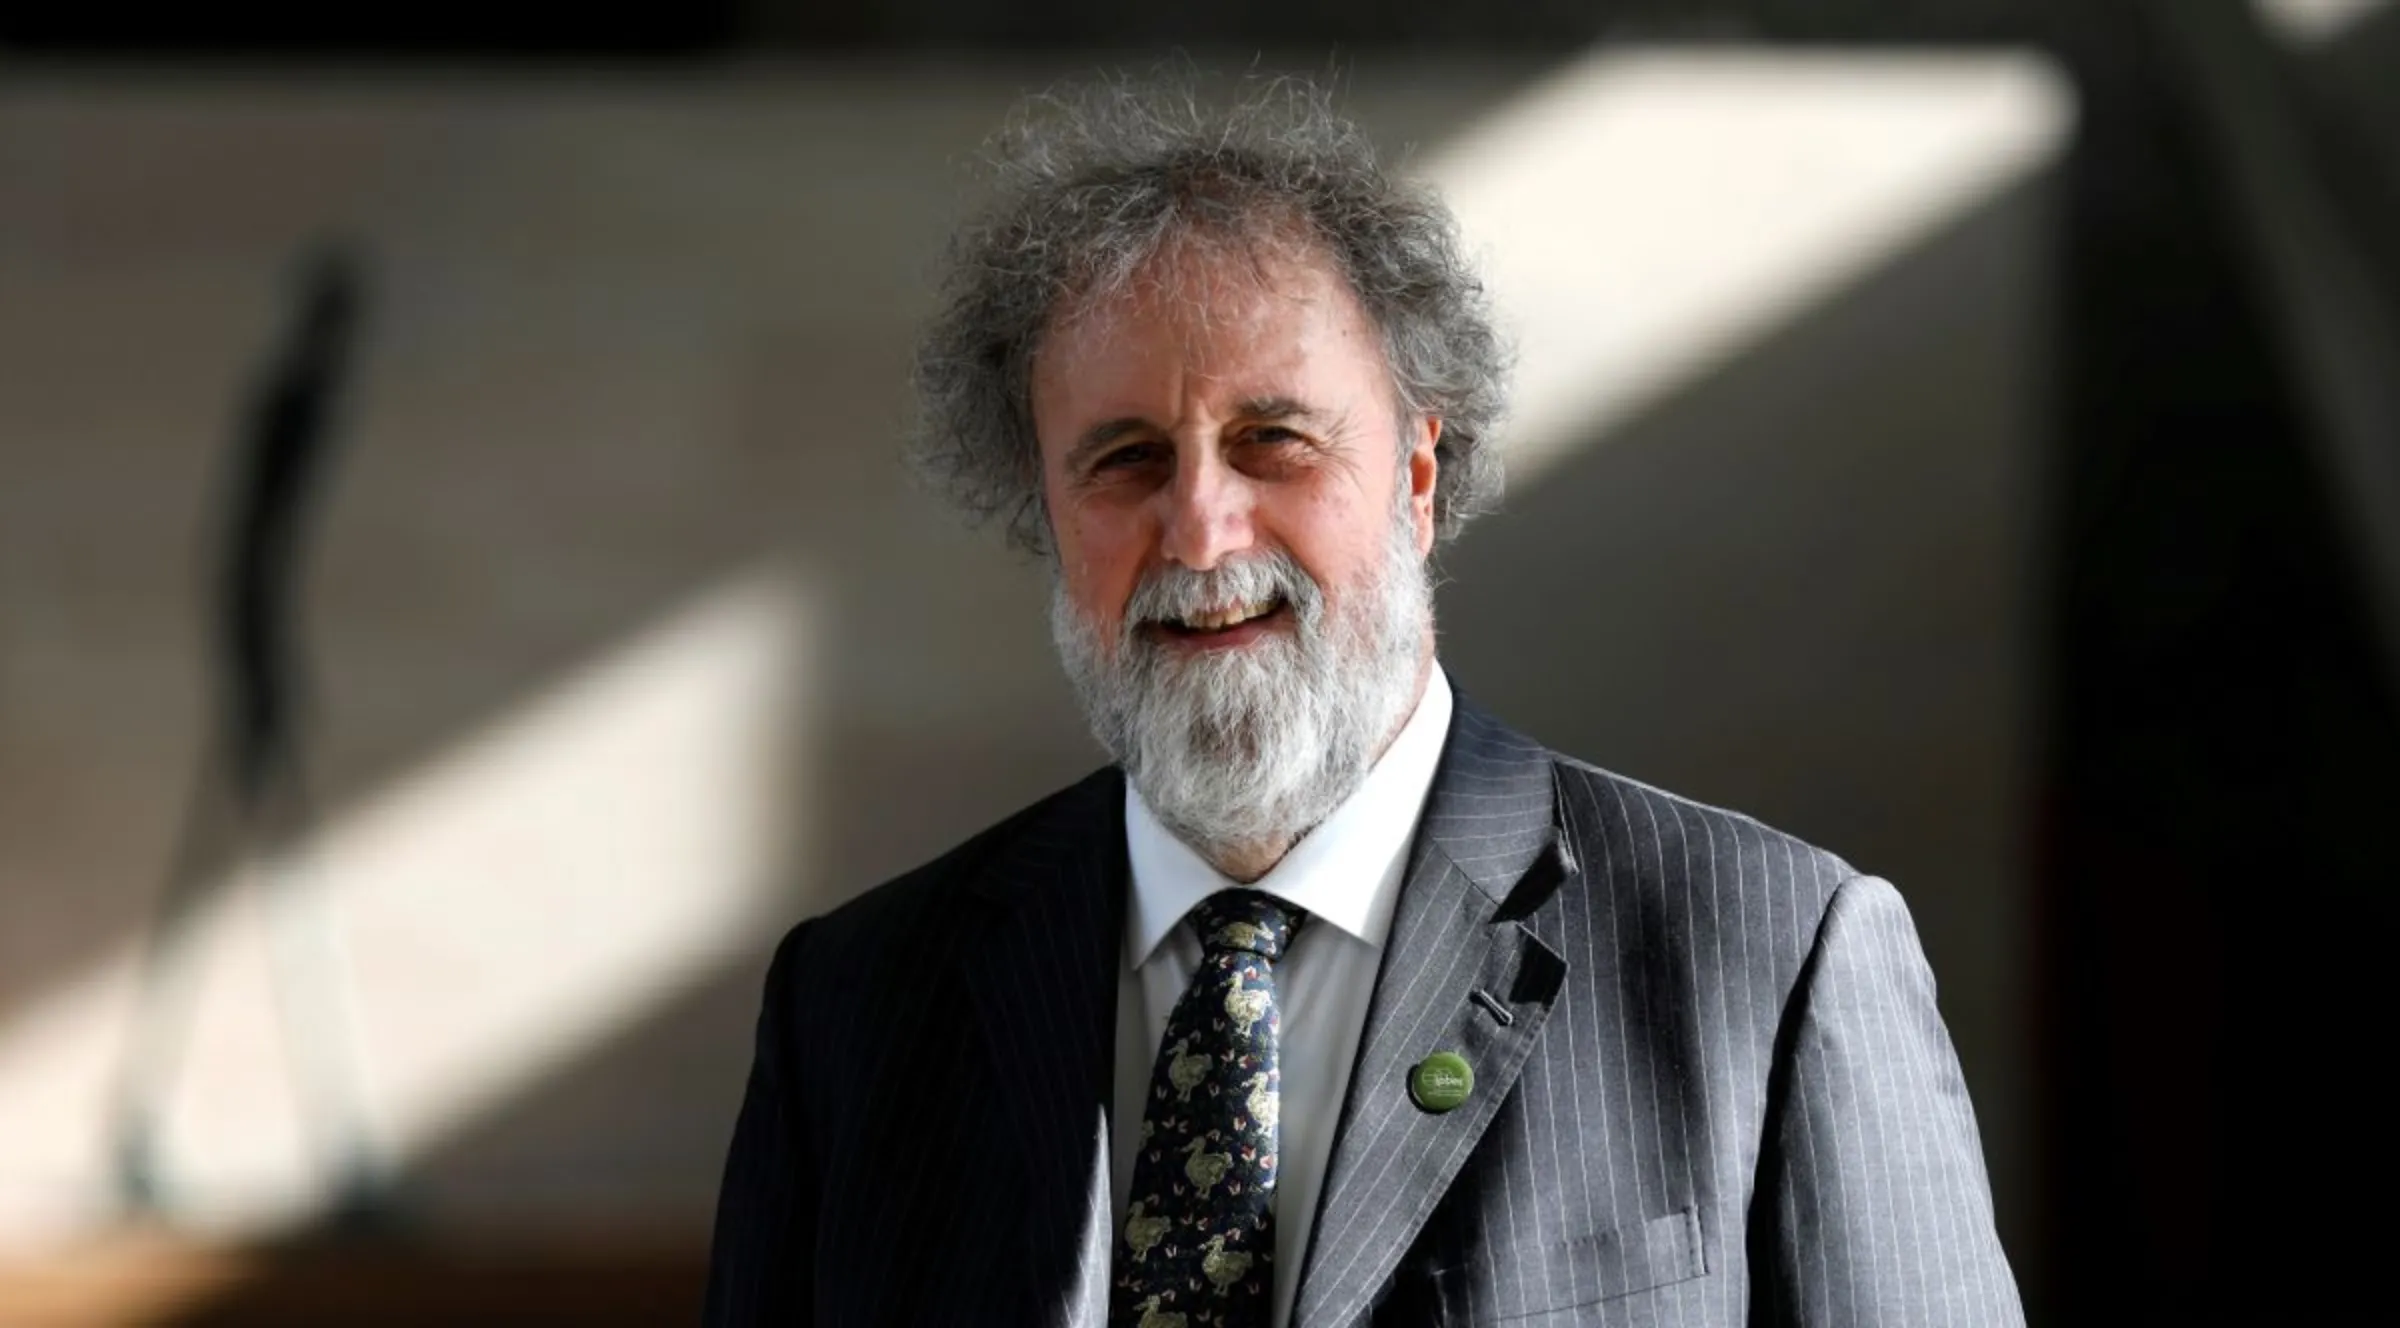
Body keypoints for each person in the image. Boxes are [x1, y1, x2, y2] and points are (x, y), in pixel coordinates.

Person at [703, 74, 2023, 1328]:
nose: (1204, 535)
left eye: (1275, 440)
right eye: (1124, 460)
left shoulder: (1772, 962)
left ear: (1418, 474)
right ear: (1045, 517)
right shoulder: (857, 1010)